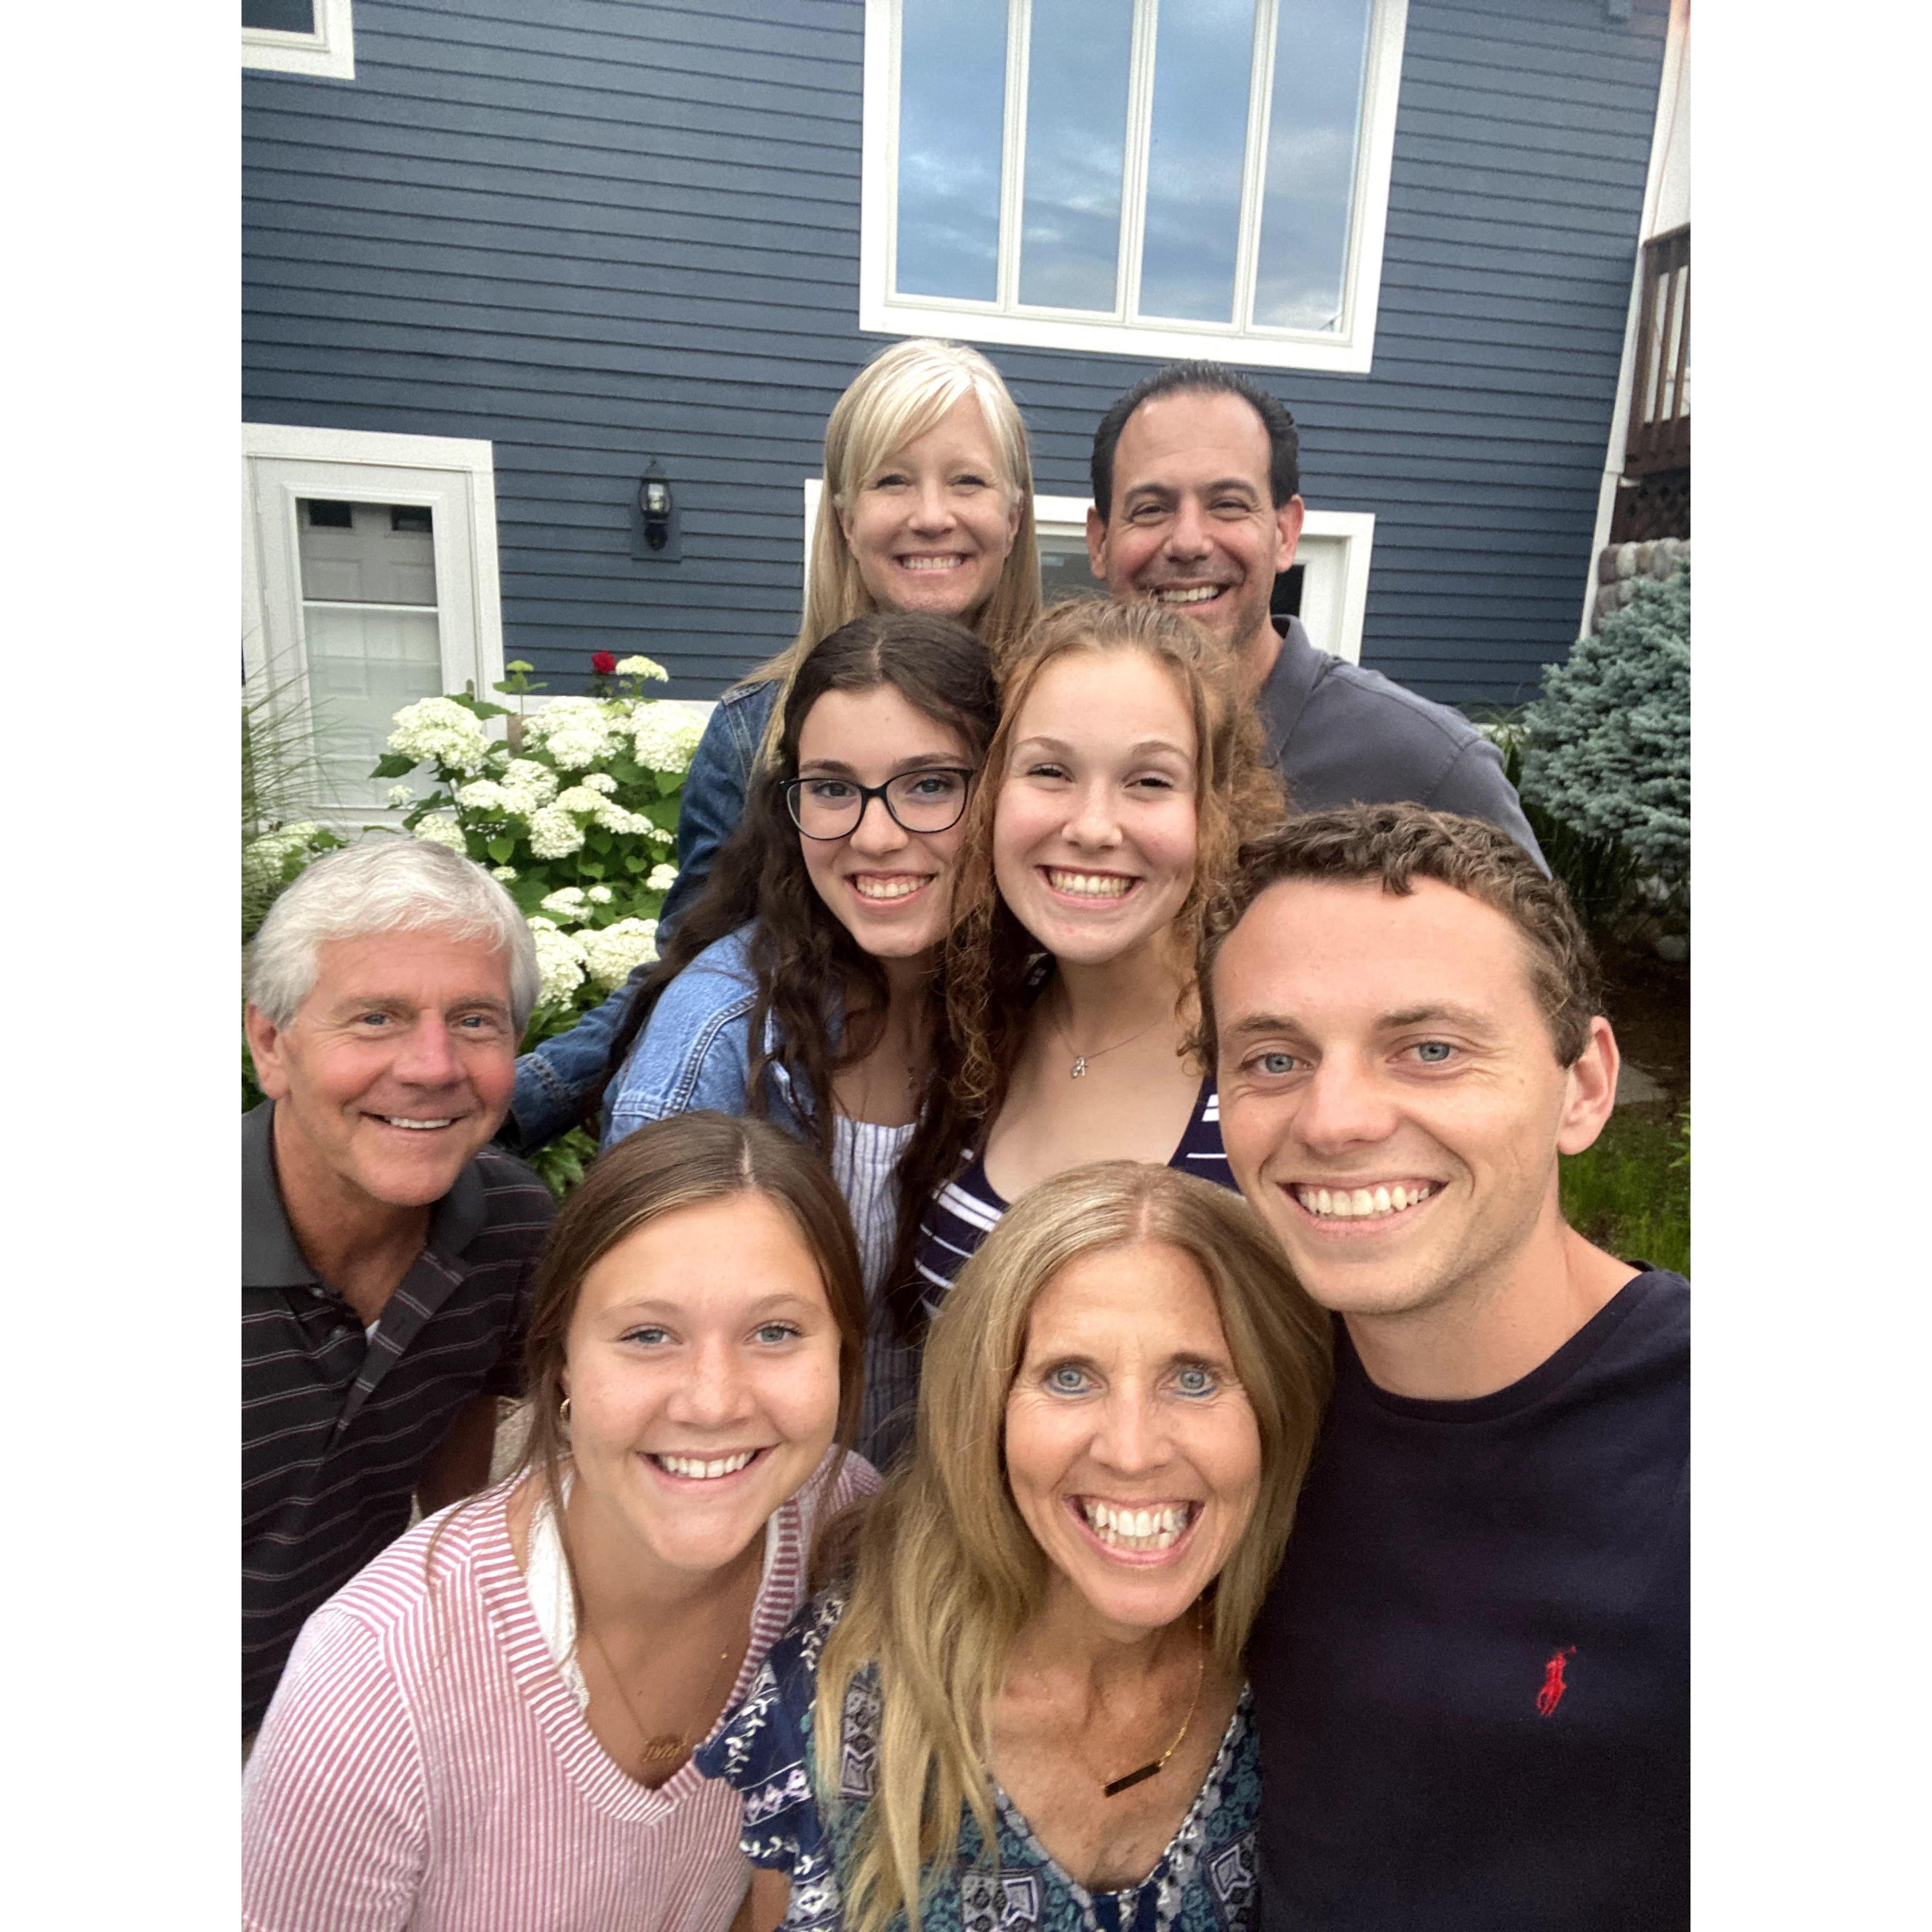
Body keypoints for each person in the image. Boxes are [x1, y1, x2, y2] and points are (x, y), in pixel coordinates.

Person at [1199, 804, 1689, 1931]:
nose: (1334, 1119)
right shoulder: (1219, 1418)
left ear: (1584, 1086)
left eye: (1429, 1049)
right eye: (1274, 1058)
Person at [242, 1112, 882, 1931]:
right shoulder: (377, 1682)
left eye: (776, 1331)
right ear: (561, 1366)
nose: (715, 1399)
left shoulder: (848, 1539)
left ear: (841, 1357)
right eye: (649, 1334)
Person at [697, 1160, 1333, 1932]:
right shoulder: (839, 1705)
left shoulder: (1321, 1689)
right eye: (1069, 1378)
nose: (1131, 1452)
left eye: (1195, 1379)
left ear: (1278, 1407)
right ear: (987, 1413)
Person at [507, 336, 1042, 1153]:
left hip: (1017, 1116)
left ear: (1013, 514)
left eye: (966, 479)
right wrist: (509, 1104)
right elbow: (689, 967)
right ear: (845, 519)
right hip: (822, 1132)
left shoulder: (1054, 719)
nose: (931, 513)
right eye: (892, 479)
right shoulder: (759, 727)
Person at [602, 610, 1000, 1463]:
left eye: (929, 784)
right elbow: (640, 1371)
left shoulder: (1039, 1006)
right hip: (775, 1542)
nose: (875, 835)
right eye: (832, 788)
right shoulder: (715, 1043)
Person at [242, 840, 555, 1736]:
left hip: (360, 1701)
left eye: (474, 1020)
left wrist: (447, 1605)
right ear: (272, 1043)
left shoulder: (508, 1224)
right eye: (376, 1018)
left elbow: (462, 1405)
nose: (431, 1065)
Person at [907, 598, 1284, 1331]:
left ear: (1219, 809)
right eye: (1049, 771)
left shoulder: (1275, 1068)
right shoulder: (974, 1027)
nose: (1091, 827)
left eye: (1149, 781)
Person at [1086, 360, 1547, 866]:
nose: (1189, 542)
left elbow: (1532, 947)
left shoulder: (1428, 768)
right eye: (1151, 508)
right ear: (1101, 541)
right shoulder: (1056, 747)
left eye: (1229, 504)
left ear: (1285, 533)